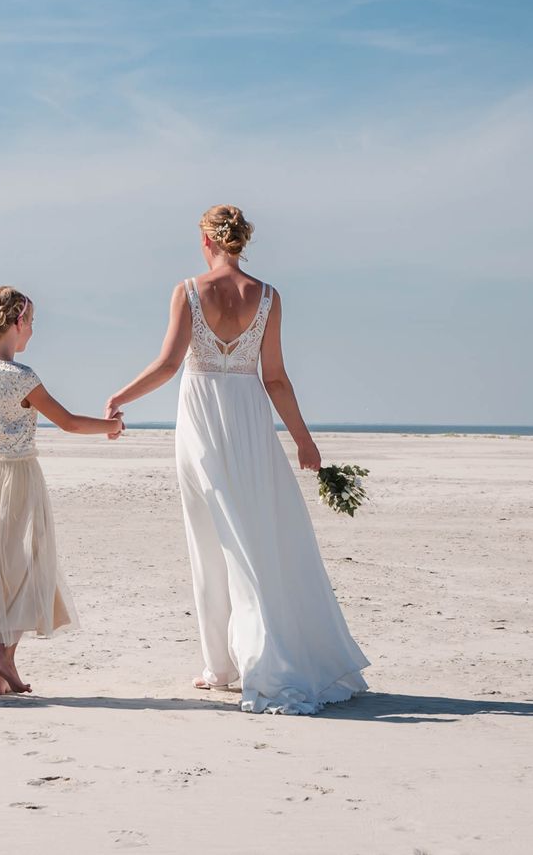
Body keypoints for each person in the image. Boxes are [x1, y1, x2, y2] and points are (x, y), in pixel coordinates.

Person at [105, 205, 368, 713]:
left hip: (202, 419)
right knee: (255, 531)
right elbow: (276, 379)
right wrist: (303, 441)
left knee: (210, 537)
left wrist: (121, 396)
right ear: (240, 241)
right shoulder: (267, 297)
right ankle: (228, 661)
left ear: (206, 239)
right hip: (250, 420)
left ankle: (230, 664)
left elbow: (167, 365)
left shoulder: (188, 290)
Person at [0, 287, 124, 696]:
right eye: (30, 321)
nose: (32, 329)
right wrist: (112, 427)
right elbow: (66, 422)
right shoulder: (21, 378)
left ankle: (0, 676)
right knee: (31, 563)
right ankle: (3, 654)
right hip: (15, 476)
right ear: (16, 324)